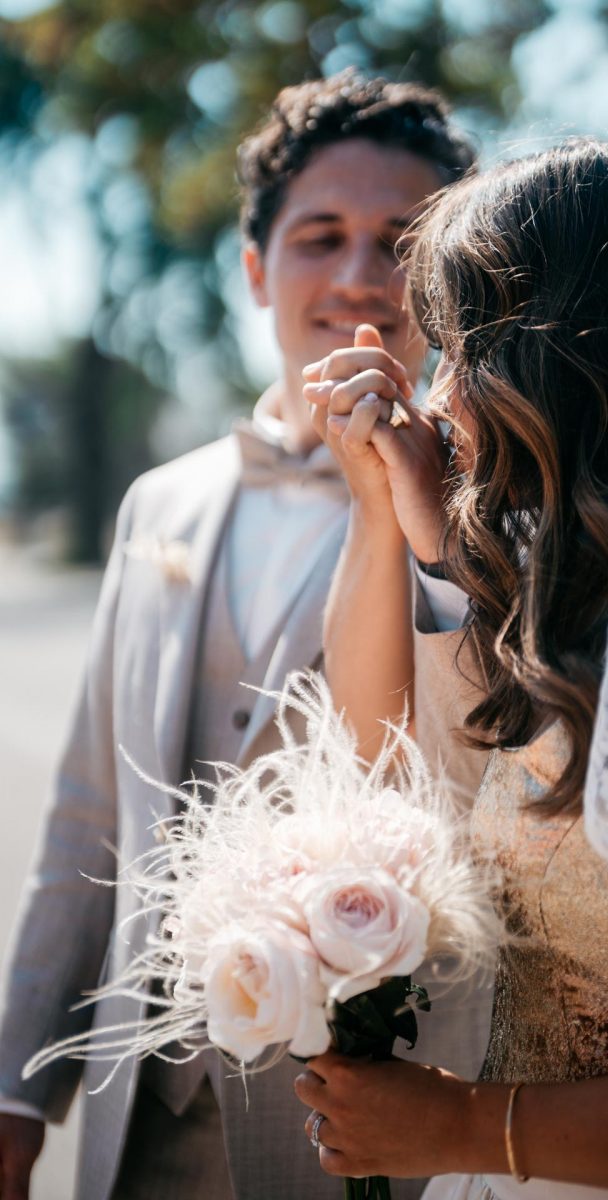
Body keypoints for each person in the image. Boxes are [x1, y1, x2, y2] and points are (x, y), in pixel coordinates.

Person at [0, 72, 492, 1200]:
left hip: (375, 1115)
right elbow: (88, 812)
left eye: (401, 243)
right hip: (142, 1116)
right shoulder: (160, 505)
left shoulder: (499, 512)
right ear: (258, 268)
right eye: (321, 236)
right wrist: (16, 1087)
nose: (361, 274)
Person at [295, 138, 608, 1197]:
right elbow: (388, 743)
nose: (438, 400)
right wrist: (412, 518)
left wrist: (454, 1124)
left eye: (455, 353)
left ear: (550, 359)